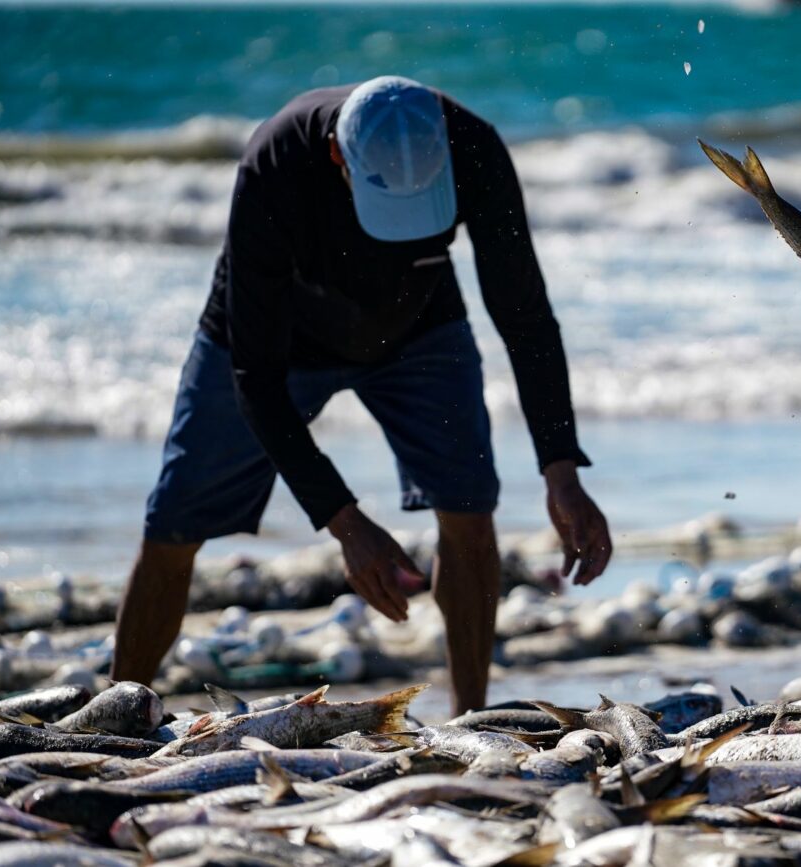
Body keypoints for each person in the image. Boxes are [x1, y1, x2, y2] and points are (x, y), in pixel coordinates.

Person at [111, 76, 612, 715]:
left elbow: (526, 317)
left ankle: (469, 720)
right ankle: (115, 720)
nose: (396, 236)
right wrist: (345, 523)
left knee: (469, 508)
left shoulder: (474, 149)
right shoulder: (276, 163)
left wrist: (561, 469)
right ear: (338, 158)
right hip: (278, 338)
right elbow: (255, 381)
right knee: (174, 523)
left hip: (419, 326)